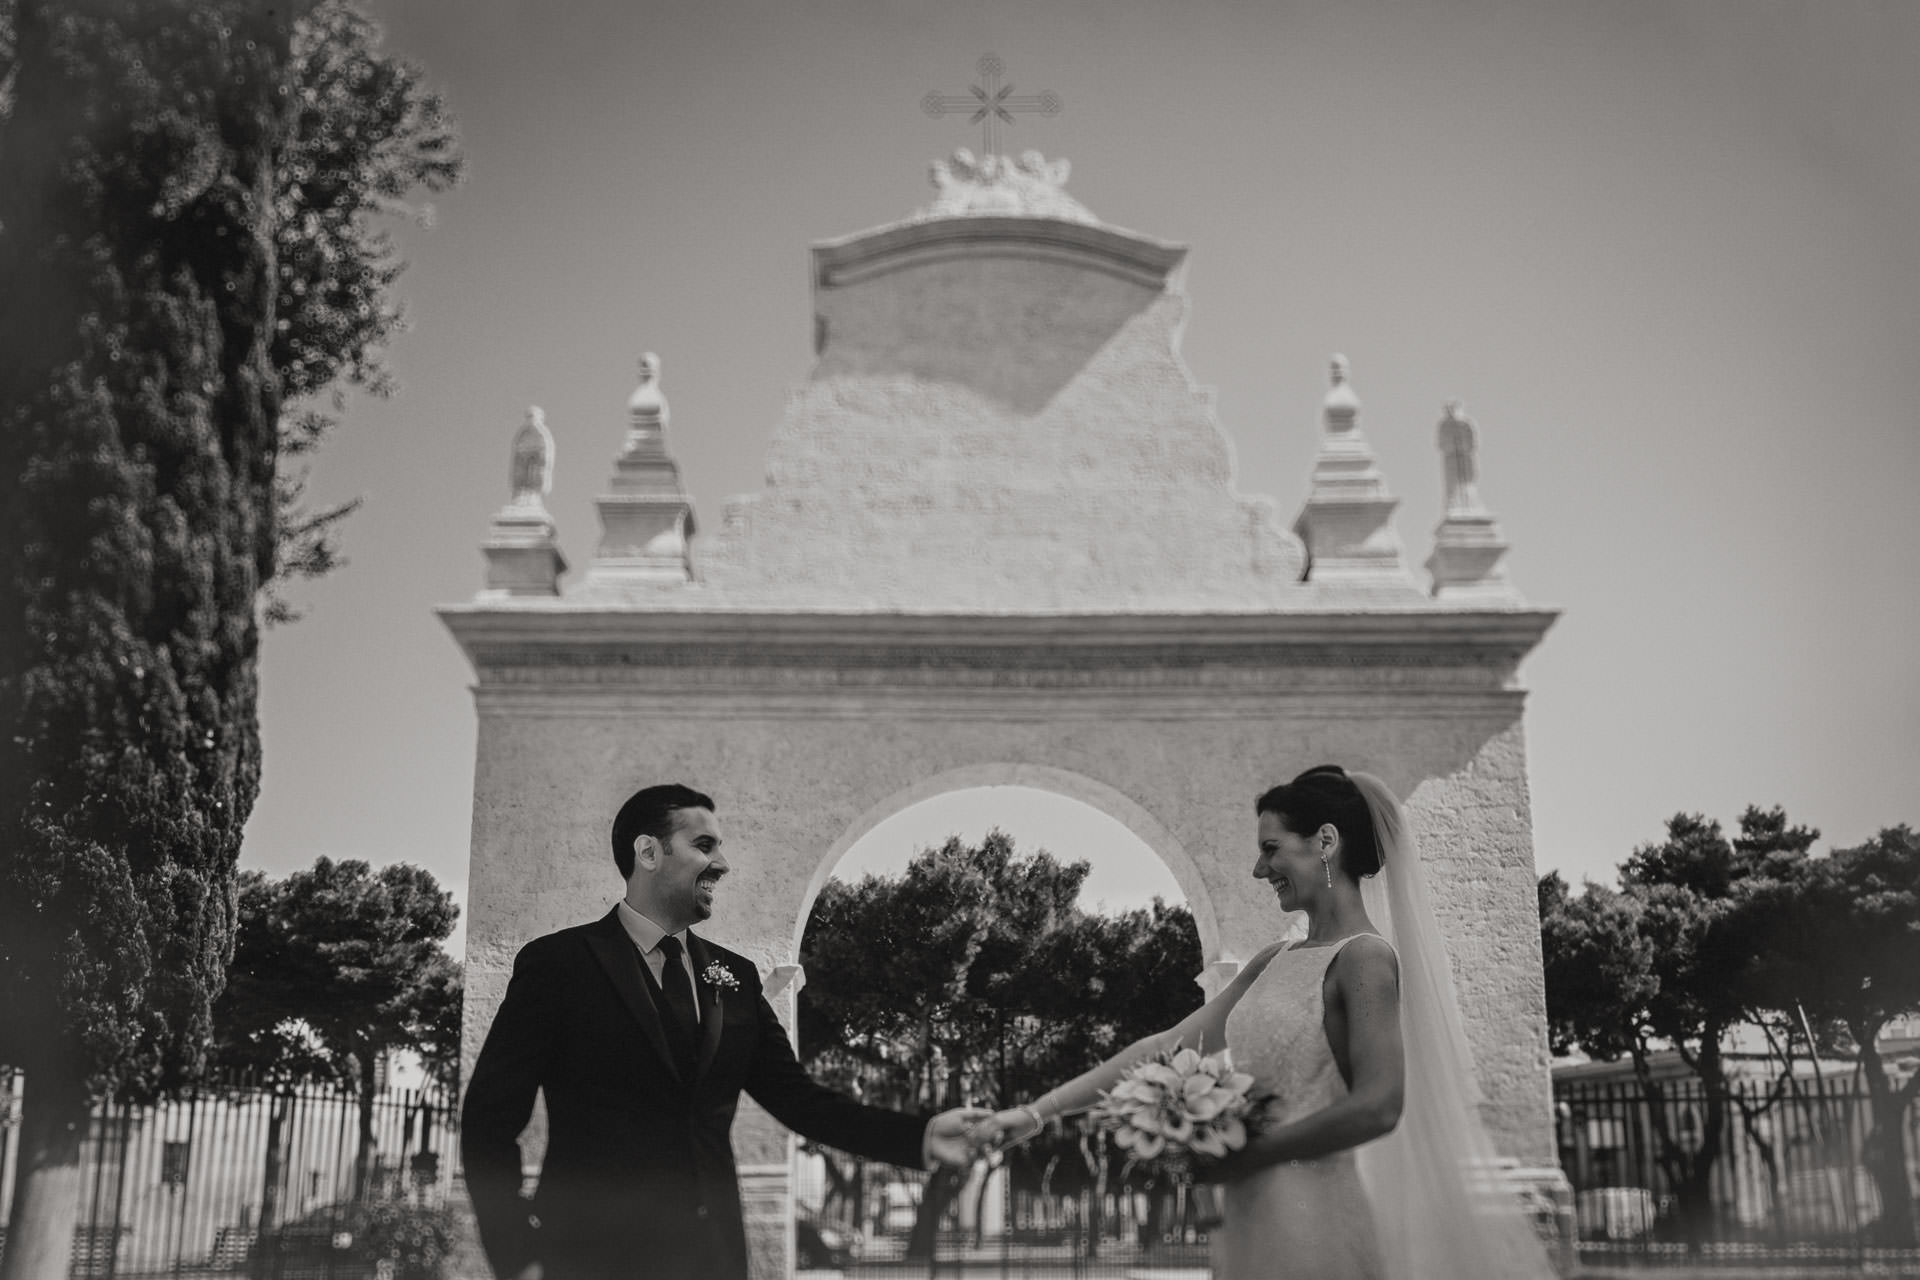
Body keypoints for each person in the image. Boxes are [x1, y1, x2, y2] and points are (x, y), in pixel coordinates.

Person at [973, 765, 1552, 1279]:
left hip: (1315, 1217)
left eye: (1271, 848)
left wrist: (1254, 1152)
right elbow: (1167, 1046)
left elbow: (1380, 1104)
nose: (1258, 868)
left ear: (1325, 841)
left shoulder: (1365, 959)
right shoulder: (1276, 960)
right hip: (1248, 1214)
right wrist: (1030, 1114)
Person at [461, 783, 988, 1280]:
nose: (723, 864)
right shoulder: (559, 964)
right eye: (704, 845)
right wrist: (520, 1258)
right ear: (648, 852)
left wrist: (918, 1136)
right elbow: (489, 1121)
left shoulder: (735, 977)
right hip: (586, 1259)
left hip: (713, 1259)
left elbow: (800, 1100)